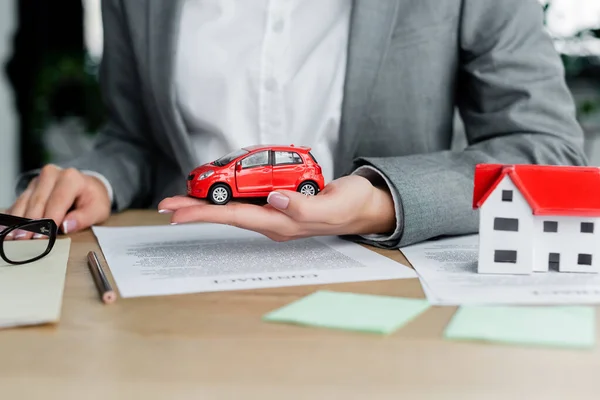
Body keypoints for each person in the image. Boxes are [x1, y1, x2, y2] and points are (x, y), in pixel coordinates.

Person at [6, 0, 586, 248]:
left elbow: (550, 151)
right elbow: (133, 136)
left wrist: (383, 198)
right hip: (172, 288)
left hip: (389, 292)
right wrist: (100, 180)